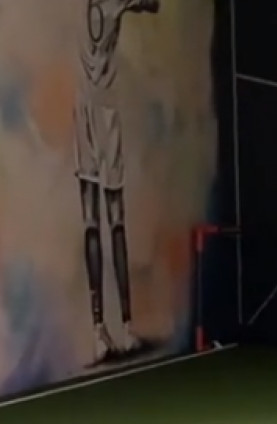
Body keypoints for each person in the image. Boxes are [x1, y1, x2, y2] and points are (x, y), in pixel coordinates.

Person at [74, 0, 160, 363]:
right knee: (114, 219)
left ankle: (100, 330)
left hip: (83, 110)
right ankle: (124, 327)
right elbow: (154, 4)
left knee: (92, 221)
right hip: (103, 113)